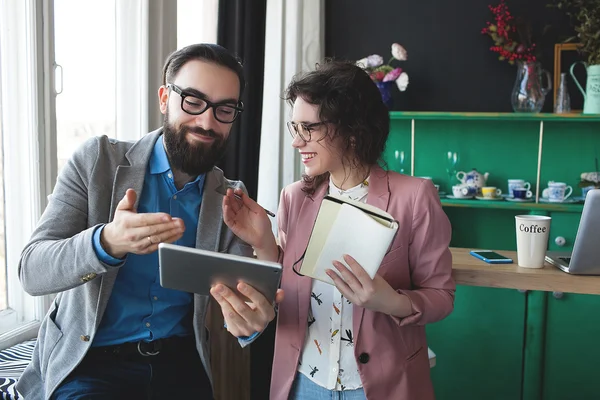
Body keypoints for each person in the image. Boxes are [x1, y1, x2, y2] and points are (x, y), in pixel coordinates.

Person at [16, 43, 281, 400]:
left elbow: (246, 305)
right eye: (193, 101)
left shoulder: (231, 199)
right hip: (90, 363)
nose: (207, 121)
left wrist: (264, 254)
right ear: (164, 99)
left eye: (224, 109)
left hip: (181, 364)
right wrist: (106, 242)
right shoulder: (97, 162)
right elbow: (32, 271)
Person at [222, 60, 455, 400]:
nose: (297, 142)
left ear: (353, 130)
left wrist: (391, 301)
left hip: (380, 386)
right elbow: (285, 291)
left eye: (310, 128)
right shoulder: (294, 198)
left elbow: (441, 297)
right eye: (294, 128)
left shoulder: (414, 197)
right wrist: (264, 242)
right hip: (303, 383)